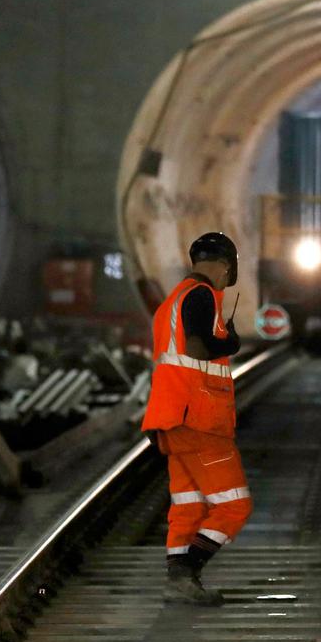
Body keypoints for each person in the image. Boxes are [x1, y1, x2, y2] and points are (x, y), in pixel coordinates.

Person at [141, 231, 251, 606]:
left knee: (188, 504)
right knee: (234, 504)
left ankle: (177, 581)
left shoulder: (170, 302)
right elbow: (199, 347)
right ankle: (188, 570)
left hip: (170, 419)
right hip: (199, 419)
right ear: (225, 267)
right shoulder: (202, 296)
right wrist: (231, 344)